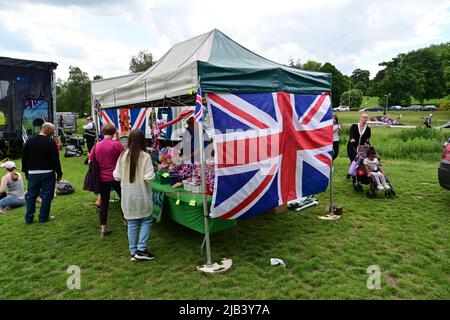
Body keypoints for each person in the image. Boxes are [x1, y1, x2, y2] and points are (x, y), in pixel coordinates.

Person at [113, 129, 155, 261]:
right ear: (143, 140)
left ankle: (133, 252)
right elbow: (149, 177)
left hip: (127, 195)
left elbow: (117, 176)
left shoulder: (122, 156)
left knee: (132, 223)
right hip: (141, 194)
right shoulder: (145, 156)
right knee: (146, 220)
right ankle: (141, 249)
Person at [22, 122, 62, 224]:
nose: (54, 132)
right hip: (47, 173)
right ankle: (43, 216)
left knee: (31, 196)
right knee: (47, 195)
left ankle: (28, 218)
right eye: (53, 130)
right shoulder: (50, 142)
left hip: (33, 173)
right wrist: (59, 173)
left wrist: (26, 172)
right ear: (47, 130)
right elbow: (55, 159)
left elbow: (24, 158)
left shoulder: (29, 141)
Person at [89, 123, 124, 236]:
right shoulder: (117, 145)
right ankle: (127, 221)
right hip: (116, 177)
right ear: (114, 132)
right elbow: (125, 159)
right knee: (124, 199)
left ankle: (103, 228)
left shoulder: (97, 145)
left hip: (102, 178)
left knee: (104, 203)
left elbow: (90, 160)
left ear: (103, 132)